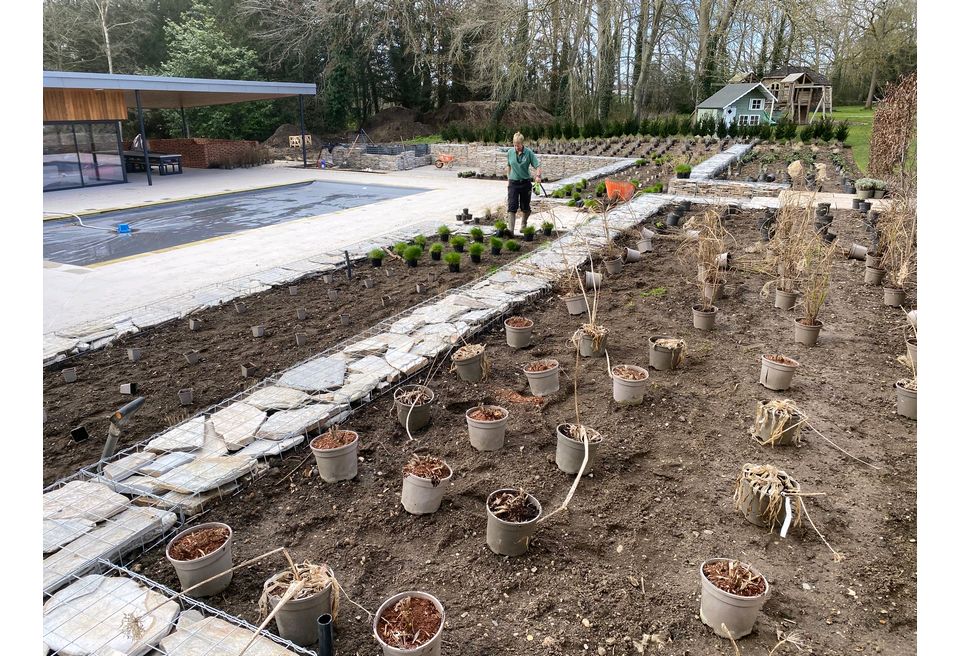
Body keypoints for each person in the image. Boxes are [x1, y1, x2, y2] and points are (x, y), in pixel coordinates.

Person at [505, 132, 542, 234]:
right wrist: (508, 178)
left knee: (525, 207)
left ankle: (523, 225)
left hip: (525, 183)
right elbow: (508, 166)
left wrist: (538, 176)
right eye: (515, 145)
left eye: (518, 145)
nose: (516, 147)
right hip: (513, 183)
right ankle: (510, 231)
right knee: (512, 206)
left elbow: (537, 165)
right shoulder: (510, 153)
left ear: (522, 143)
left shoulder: (528, 153)